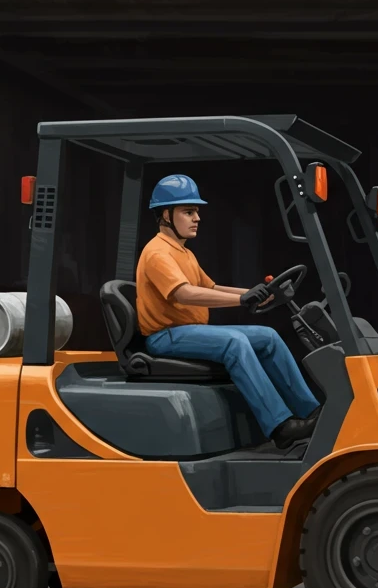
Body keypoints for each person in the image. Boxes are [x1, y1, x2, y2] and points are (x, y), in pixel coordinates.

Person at [135, 173, 321, 450]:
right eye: (188, 211)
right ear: (166, 214)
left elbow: (211, 287)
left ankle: (311, 412)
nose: (197, 218)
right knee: (235, 343)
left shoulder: (183, 252)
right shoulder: (158, 253)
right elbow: (184, 293)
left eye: (196, 211)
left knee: (267, 337)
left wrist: (257, 292)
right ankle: (280, 426)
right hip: (167, 335)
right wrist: (242, 300)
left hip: (188, 332)